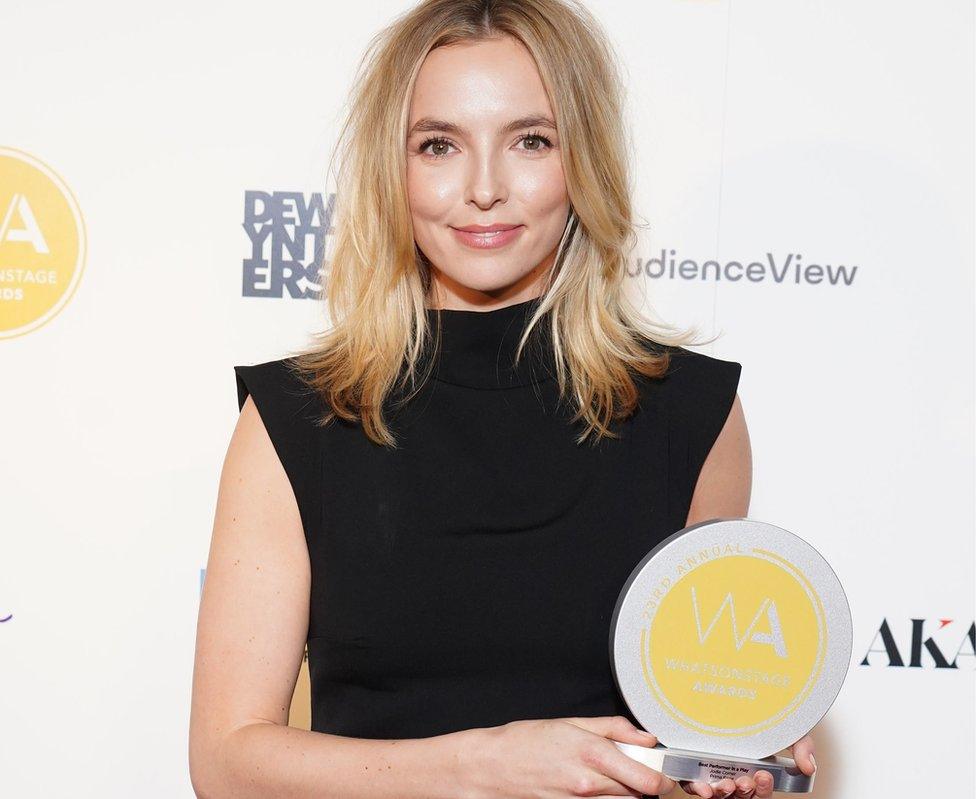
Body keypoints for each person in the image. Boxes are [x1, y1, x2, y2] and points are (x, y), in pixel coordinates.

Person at [189, 1, 817, 797]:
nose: (484, 188)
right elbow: (226, 763)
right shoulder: (296, 418)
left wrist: (737, 754)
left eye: (530, 140)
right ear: (395, 166)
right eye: (439, 144)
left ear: (581, 157)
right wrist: (479, 765)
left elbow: (690, 737)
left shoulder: (692, 415)